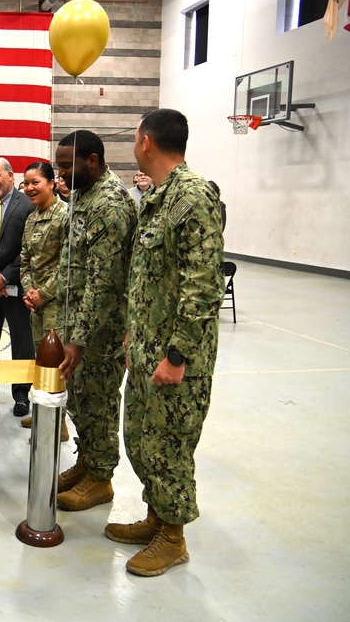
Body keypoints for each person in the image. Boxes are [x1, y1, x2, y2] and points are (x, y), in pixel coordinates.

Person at [107, 108, 224, 577]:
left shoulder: (193, 196)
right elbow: (153, 277)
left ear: (147, 141)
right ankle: (157, 517)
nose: (134, 142)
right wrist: (136, 333)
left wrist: (177, 355)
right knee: (140, 438)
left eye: (135, 135)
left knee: (169, 444)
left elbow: (203, 284)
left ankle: (173, 538)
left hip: (176, 358)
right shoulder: (158, 198)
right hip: (147, 349)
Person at [53, 130, 138, 513]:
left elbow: (105, 281)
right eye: (59, 165)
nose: (62, 173)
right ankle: (87, 462)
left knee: (100, 402)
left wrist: (80, 338)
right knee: (82, 401)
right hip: (79, 322)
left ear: (92, 160)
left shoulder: (111, 203)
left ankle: (101, 479)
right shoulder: (84, 197)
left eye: (68, 165)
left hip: (100, 331)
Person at [0, 157, 36, 416]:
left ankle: (21, 394)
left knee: (21, 342)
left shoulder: (26, 205)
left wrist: (5, 277)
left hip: (15, 286)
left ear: (11, 177)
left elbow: (30, 248)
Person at [18, 162, 69, 432]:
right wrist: (29, 290)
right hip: (35, 303)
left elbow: (68, 264)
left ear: (51, 183)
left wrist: (44, 294)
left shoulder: (65, 216)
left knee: (56, 363)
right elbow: (25, 259)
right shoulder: (32, 218)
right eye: (25, 183)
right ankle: (46, 414)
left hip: (57, 304)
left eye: (35, 182)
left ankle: (58, 423)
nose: (29, 188)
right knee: (41, 359)